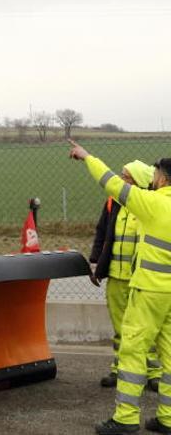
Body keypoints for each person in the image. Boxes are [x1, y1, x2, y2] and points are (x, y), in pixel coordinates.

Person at [67, 140, 171, 435]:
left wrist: (87, 156)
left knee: (132, 351)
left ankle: (126, 418)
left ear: (162, 178)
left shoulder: (152, 203)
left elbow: (110, 182)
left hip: (148, 291)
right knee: (169, 354)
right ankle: (167, 418)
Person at [89, 160, 161, 391]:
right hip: (116, 277)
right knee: (120, 328)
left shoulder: (149, 205)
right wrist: (96, 263)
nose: (121, 181)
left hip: (141, 278)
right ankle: (119, 369)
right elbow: (102, 233)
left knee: (145, 329)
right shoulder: (113, 203)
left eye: (127, 177)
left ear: (139, 181)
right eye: (121, 176)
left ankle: (153, 373)